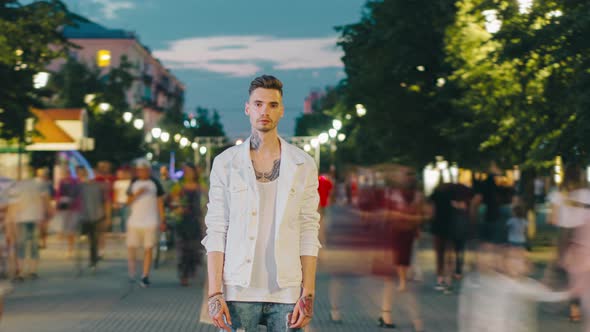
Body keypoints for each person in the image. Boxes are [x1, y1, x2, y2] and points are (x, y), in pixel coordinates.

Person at [202, 75, 321, 332]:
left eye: (272, 105)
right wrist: (214, 293)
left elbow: (309, 229)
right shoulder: (226, 163)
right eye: (258, 104)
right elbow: (216, 229)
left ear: (281, 111)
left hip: (287, 291)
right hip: (238, 289)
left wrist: (308, 292)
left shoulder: (303, 164)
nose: (264, 111)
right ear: (247, 108)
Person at [378, 166, 427, 331]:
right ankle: (388, 315)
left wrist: (411, 220)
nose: (406, 179)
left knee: (403, 272)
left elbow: (421, 216)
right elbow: (387, 214)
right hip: (393, 235)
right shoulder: (392, 193)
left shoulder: (417, 195)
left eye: (409, 175)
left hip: (407, 235)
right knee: (392, 278)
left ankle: (395, 315)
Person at [126, 159, 166, 288]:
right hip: (134, 221)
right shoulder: (134, 183)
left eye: (145, 169)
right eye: (140, 170)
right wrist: (138, 193)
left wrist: (162, 219)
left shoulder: (155, 183)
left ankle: (145, 275)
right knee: (133, 247)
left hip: (150, 221)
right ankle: (133, 272)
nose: (143, 172)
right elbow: (128, 201)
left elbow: (160, 203)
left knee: (148, 248)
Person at [6, 175, 52, 280]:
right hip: (36, 217)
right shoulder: (39, 184)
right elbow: (45, 199)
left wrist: (10, 219)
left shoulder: (16, 186)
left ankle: (21, 272)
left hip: (21, 219)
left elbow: (13, 205)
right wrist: (47, 213)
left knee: (21, 245)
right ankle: (33, 271)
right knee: (34, 245)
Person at [169, 163, 204, 286]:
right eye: (186, 171)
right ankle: (184, 275)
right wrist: (177, 208)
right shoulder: (179, 186)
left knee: (195, 248)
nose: (188, 173)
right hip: (183, 221)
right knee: (183, 249)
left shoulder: (201, 186)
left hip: (196, 220)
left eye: (190, 171)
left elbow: (207, 202)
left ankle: (192, 270)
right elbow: (172, 202)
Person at [76, 167, 109, 271]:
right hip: (84, 216)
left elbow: (106, 200)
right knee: (89, 239)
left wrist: (106, 216)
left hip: (96, 216)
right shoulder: (79, 186)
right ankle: (91, 260)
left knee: (94, 241)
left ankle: (93, 261)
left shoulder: (98, 186)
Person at [34, 167, 54, 249]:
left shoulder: (47, 183)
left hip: (43, 207)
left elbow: (49, 196)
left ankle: (43, 242)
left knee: (43, 227)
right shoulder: (37, 183)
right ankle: (41, 242)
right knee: (40, 227)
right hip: (39, 207)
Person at [113, 168, 132, 233]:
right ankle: (123, 231)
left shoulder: (130, 182)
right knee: (122, 218)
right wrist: (115, 202)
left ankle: (127, 231)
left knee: (126, 217)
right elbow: (116, 193)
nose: (119, 175)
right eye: (118, 174)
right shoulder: (117, 183)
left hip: (128, 202)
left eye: (120, 174)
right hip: (120, 202)